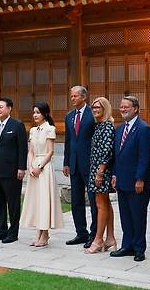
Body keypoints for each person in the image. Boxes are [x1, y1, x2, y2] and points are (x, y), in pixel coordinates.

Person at [110, 95, 150, 262]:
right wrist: (114, 174)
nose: (123, 109)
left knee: (138, 216)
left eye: (126, 107)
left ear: (136, 109)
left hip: (137, 182)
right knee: (125, 215)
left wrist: (140, 178)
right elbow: (117, 156)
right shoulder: (119, 129)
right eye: (121, 107)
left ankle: (139, 248)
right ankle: (127, 246)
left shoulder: (143, 129)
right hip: (122, 180)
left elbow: (145, 157)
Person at [20, 102, 63, 247]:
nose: (35, 115)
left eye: (38, 112)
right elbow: (31, 151)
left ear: (44, 114)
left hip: (44, 168)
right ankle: (38, 231)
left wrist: (39, 166)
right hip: (34, 167)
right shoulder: (32, 130)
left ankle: (45, 233)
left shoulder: (50, 129)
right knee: (36, 200)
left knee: (44, 200)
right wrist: (31, 166)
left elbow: (50, 152)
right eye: (34, 112)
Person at [0, 98, 28, 244]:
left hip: (12, 171)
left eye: (1, 107)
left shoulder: (17, 125)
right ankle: (1, 230)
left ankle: (13, 232)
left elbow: (23, 148)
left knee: (13, 203)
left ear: (9, 108)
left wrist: (21, 167)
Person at [63, 85, 97, 248]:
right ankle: (80, 233)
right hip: (74, 164)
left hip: (90, 164)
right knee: (76, 200)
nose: (73, 99)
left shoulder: (93, 114)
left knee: (93, 200)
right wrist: (66, 162)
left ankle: (95, 234)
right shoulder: (69, 116)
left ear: (84, 97)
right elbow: (68, 141)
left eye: (76, 96)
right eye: (71, 96)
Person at [84, 97, 117, 254]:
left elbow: (107, 151)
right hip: (96, 169)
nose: (95, 109)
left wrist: (100, 172)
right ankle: (110, 238)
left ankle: (98, 240)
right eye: (93, 107)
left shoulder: (107, 127)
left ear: (105, 108)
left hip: (101, 171)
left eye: (98, 107)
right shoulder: (99, 126)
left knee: (100, 204)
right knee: (105, 203)